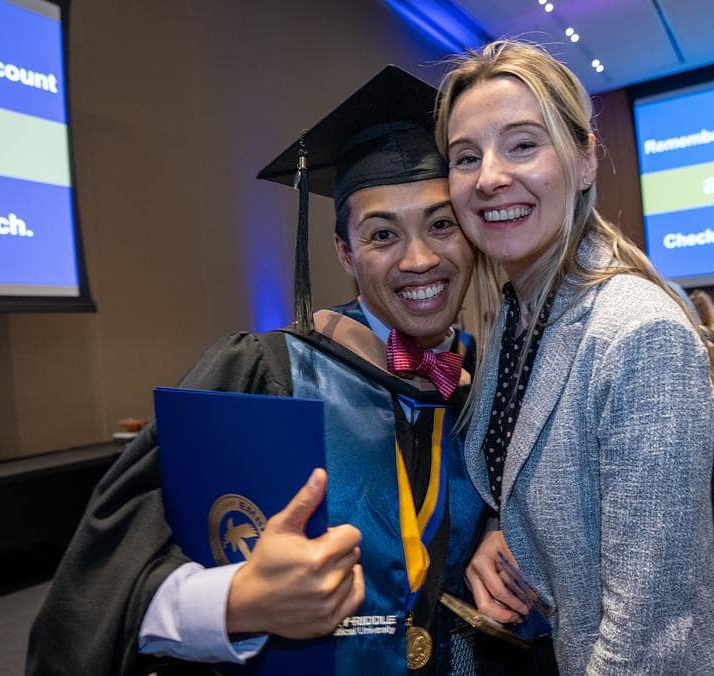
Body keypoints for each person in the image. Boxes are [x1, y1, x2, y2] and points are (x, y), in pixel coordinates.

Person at [26, 66, 488, 675]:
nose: (420, 258)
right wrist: (239, 602)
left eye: (441, 224)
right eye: (382, 234)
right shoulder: (265, 374)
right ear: (344, 253)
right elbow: (103, 581)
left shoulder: (487, 374)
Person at [434, 40, 714, 674]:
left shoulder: (635, 332)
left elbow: (650, 629)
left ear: (584, 160)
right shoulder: (522, 311)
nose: (490, 176)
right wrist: (502, 530)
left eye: (522, 144)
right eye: (467, 157)